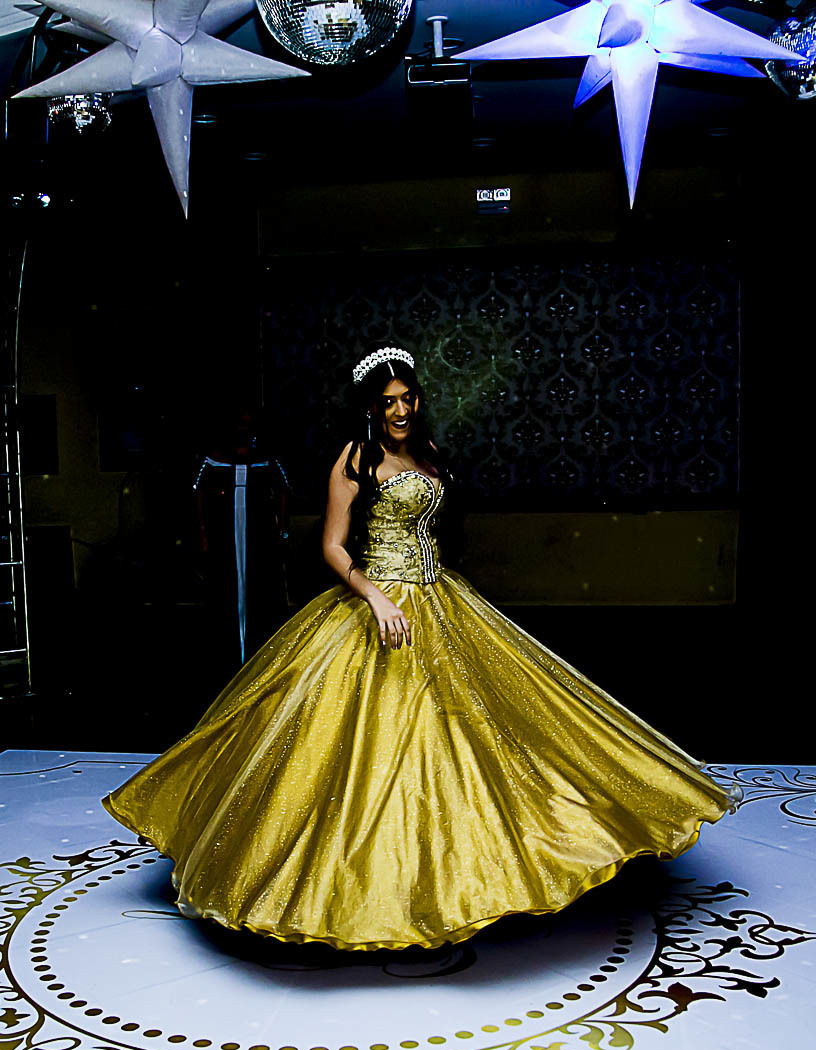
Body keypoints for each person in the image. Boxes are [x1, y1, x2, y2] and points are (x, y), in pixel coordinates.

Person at [102, 345, 739, 952]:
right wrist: (376, 598)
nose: (401, 410)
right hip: (379, 604)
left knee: (486, 731)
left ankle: (473, 871)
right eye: (389, 402)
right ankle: (362, 884)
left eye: (408, 398)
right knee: (358, 744)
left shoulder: (428, 452)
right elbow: (332, 546)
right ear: (371, 408)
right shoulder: (355, 458)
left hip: (438, 598)